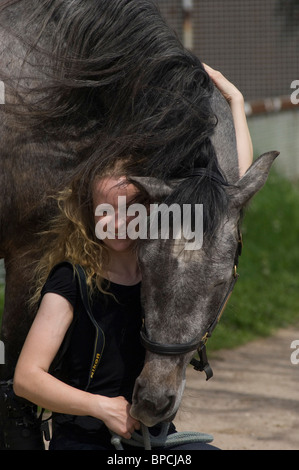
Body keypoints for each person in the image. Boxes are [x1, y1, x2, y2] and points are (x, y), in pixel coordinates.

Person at [13, 67, 253, 450]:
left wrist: (236, 103)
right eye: (107, 212)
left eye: (132, 210)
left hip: (151, 442)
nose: (121, 223)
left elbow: (228, 191)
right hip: (87, 440)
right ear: (88, 214)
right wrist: (101, 408)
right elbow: (26, 378)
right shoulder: (72, 281)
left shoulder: (155, 274)